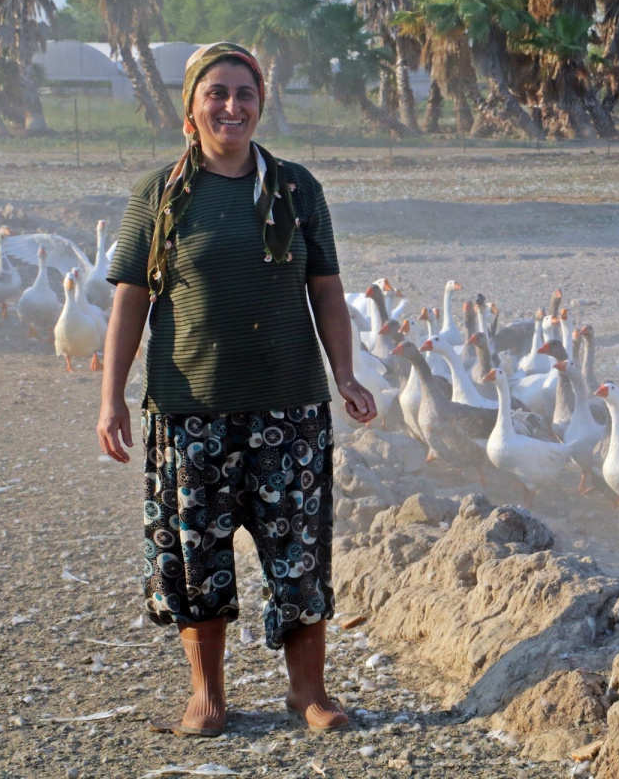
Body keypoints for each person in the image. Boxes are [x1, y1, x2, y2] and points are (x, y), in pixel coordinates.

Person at [97, 42, 376, 738]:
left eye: (245, 93)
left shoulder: (296, 189)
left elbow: (328, 290)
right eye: (216, 93)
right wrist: (110, 399)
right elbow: (130, 301)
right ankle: (206, 698)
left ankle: (307, 692)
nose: (232, 105)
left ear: (261, 103)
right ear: (191, 108)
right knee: (196, 557)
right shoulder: (159, 194)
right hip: (189, 408)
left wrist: (344, 375)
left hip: (290, 406)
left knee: (299, 553)